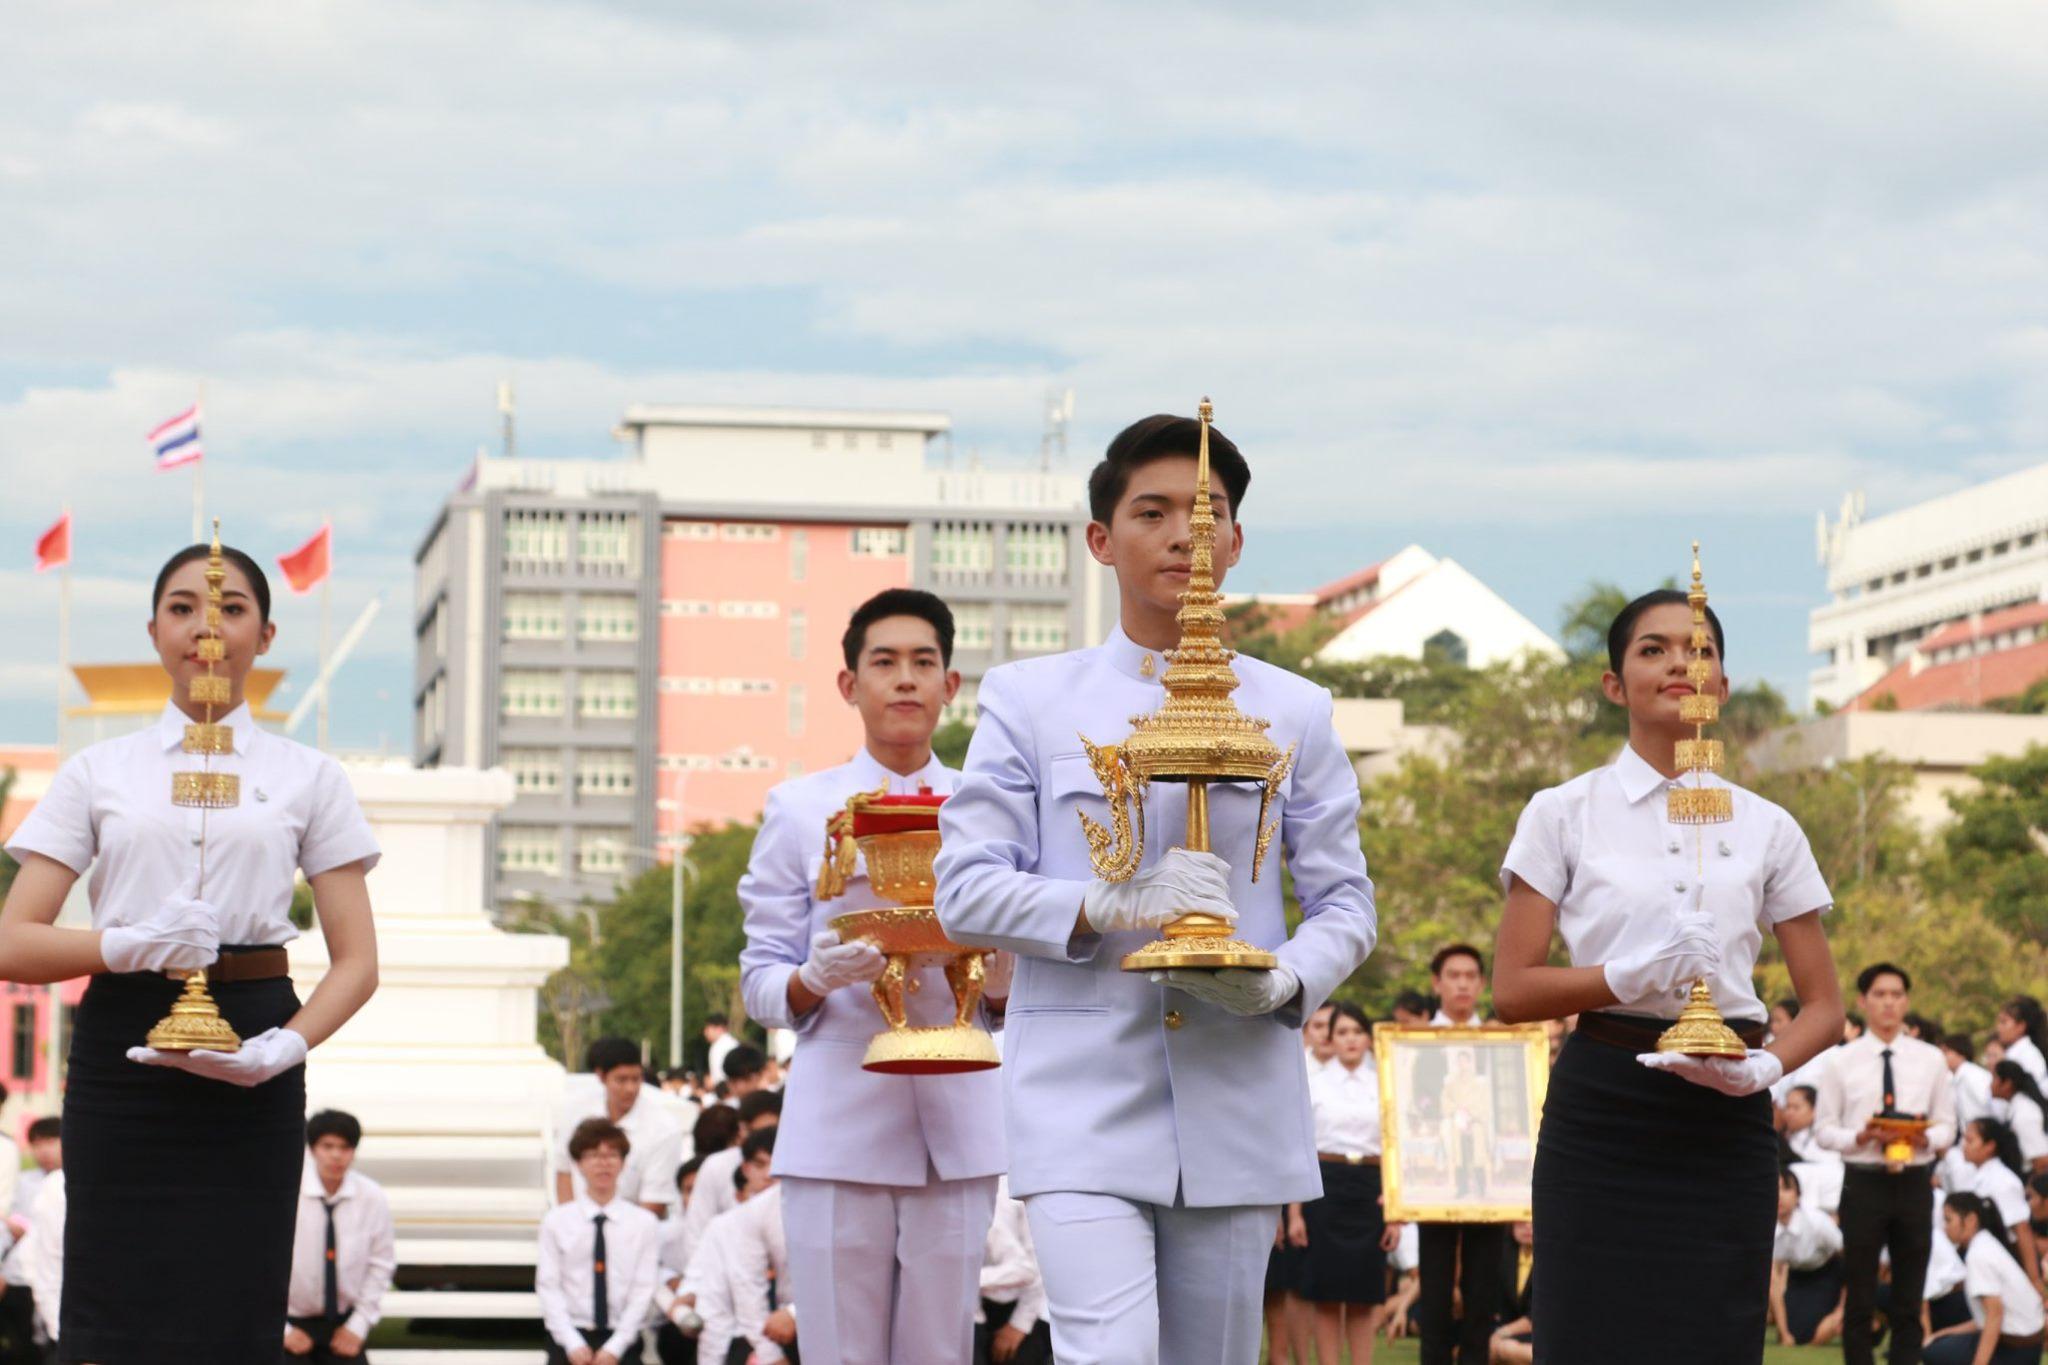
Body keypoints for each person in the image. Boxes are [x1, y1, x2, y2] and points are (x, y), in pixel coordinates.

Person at [934, 411, 1377, 1364]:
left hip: (1238, 1093)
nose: (1187, 534)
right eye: (1156, 511)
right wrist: (1107, 901)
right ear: (1102, 539)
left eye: (1210, 512)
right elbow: (964, 889)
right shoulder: (1032, 699)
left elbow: (1345, 904)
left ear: (1240, 538)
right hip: (1082, 1102)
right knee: (1111, 1354)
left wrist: (1287, 980)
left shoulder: (1294, 709)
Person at [0, 538, 382, 1362]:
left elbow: (357, 960)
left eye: (231, 607)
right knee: (112, 1300)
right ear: (152, 630)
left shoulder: (308, 775)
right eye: (183, 607)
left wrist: (283, 1046)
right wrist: (126, 943)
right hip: (124, 1045)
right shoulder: (99, 770)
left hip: (252, 1036)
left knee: (236, 1302)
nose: (206, 626)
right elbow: (12, 938)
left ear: (267, 636)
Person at [1493, 586, 1843, 1365]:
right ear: (1615, 683)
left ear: (1721, 684)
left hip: (1725, 1113)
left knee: (1713, 1338)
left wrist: (1764, 1067)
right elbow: (1513, 988)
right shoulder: (1563, 812)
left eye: (1701, 650)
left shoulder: (1767, 825)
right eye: (1654, 649)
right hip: (1605, 1106)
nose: (1681, 663)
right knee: (1586, 1336)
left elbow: (1825, 1006)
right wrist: (1625, 973)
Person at [737, 587, 1008, 1365]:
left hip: (956, 1122)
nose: (905, 679)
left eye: (925, 662)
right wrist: (813, 978)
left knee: (941, 1351)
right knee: (839, 1353)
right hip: (839, 1123)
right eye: (883, 661)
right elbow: (761, 977)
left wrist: (1005, 966)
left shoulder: (990, 809)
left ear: (951, 685)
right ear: (849, 685)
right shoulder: (799, 809)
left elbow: (1010, 994)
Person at [1813, 961, 1957, 1364]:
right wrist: (1860, 1136)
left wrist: (1925, 1136)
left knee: (1910, 1295)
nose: (1889, 1003)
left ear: (1906, 1001)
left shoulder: (1930, 1059)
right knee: (1859, 1294)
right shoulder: (1841, 1061)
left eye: (1896, 994)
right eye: (1880, 995)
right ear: (1863, 1001)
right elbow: (1824, 1130)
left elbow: (1949, 1125)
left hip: (1914, 1179)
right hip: (1863, 1180)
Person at [1415, 944, 1505, 1365]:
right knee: (1433, 1292)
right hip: (1434, 1174)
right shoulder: (1414, 1047)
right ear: (1437, 983)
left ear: (1482, 983)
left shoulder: (1498, 1045)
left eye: (1471, 976)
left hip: (1486, 1179)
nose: (1463, 983)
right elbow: (1413, 1107)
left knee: (1482, 1293)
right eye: (1454, 975)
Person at [1300, 1003, 1397, 1364]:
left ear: (1369, 1038)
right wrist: (1294, 1214)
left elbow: (1396, 1143)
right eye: (1342, 1032)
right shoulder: (1313, 1081)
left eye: (1357, 1031)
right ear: (1331, 1038)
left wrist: (1396, 1206)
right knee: (1325, 1292)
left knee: (1363, 1293)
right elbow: (1302, 1145)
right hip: (1325, 1186)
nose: (1351, 1039)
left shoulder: (1385, 1082)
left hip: (1372, 1188)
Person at [537, 1118, 661, 1365]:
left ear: (623, 1162)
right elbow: (548, 1285)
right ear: (579, 1163)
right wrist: (572, 1342)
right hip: (570, 1335)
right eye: (593, 1155)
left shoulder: (644, 1223)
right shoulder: (556, 1221)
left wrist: (615, 1347)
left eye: (612, 1155)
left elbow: (643, 1288)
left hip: (622, 1338)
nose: (603, 1164)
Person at [285, 1109, 396, 1362]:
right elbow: (261, 1265)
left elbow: (381, 1264)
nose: (336, 1155)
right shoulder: (289, 1193)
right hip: (291, 1321)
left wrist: (357, 1327)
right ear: (312, 1149)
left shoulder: (370, 1196)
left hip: (343, 1324)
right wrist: (284, 1330)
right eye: (328, 1146)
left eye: (345, 1147)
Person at [554, 1038, 685, 1216]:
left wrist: (624, 1235)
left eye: (636, 1079)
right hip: (577, 1228)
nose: (630, 1088)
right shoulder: (575, 1112)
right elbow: (564, 1172)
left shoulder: (663, 1128)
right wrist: (570, 1227)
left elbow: (655, 1202)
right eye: (621, 1080)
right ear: (601, 1076)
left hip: (635, 1234)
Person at [1922, 1192, 2046, 1365]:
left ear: (1971, 1220)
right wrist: (1943, 1333)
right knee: (1938, 1345)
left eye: (1949, 1220)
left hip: (2016, 1350)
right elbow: (1986, 1318)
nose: (1945, 1227)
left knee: (1933, 1354)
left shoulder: (1978, 1255)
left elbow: (1995, 1316)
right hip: (2029, 1347)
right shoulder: (1985, 1243)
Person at [1953, 1118, 2046, 1300]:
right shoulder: (1977, 1175)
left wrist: (2033, 1279)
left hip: (2005, 1258)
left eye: (1970, 1140)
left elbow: (2022, 1230)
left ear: (1990, 1146)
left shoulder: (2002, 1181)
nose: (1964, 1146)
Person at [0, 1117, 58, 1365]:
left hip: (50, 1277)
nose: (43, 1150)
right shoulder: (25, 1182)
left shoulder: (66, 1184)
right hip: (18, 1277)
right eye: (37, 1143)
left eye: (51, 1142)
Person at [976, 1180, 1051, 1365]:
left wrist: (1019, 1324)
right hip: (988, 1306)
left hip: (1030, 1308)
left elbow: (1027, 1268)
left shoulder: (994, 1196)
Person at [1769, 1168, 1845, 1347]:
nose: (1780, 1196)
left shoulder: (1816, 1222)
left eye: (1786, 1189)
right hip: (1798, 1277)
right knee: (1793, 1335)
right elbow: (1772, 1282)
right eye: (1775, 1189)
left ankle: (1870, 1324)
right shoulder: (1768, 1229)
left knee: (1813, 1337)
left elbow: (1851, 1261)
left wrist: (1841, 1310)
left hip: (1830, 1272)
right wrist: (1784, 1333)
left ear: (1798, 1195)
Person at [1486, 1222, 1535, 1365]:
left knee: (1505, 1348)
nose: (1527, 1227)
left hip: (1543, 1333)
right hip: (1512, 1330)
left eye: (1533, 1222)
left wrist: (1501, 1333)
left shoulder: (1553, 1261)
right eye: (1521, 1222)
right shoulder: (1505, 1256)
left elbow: (1540, 1315)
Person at [1992, 1062, 2048, 1176]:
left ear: (2007, 1083)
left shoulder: (2024, 1113)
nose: (1990, 1084)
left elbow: (2041, 1161)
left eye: (1994, 1078)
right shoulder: (2016, 1106)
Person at [1949, 1032, 2000, 1128]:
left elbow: (1993, 1108)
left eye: (1947, 1051)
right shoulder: (1957, 1077)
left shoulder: (1973, 1076)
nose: (1943, 1056)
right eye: (1988, 1056)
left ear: (1961, 1054)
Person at [1998, 999, 2048, 1090]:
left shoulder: (2028, 1056)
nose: (1999, 1028)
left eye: (2004, 1022)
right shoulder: (2016, 1053)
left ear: (2021, 1026)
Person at [701, 1018, 737, 1093]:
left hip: (725, 1089)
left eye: (708, 1029)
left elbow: (720, 1074)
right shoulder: (729, 1042)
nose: (705, 1032)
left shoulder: (721, 1045)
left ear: (719, 1028)